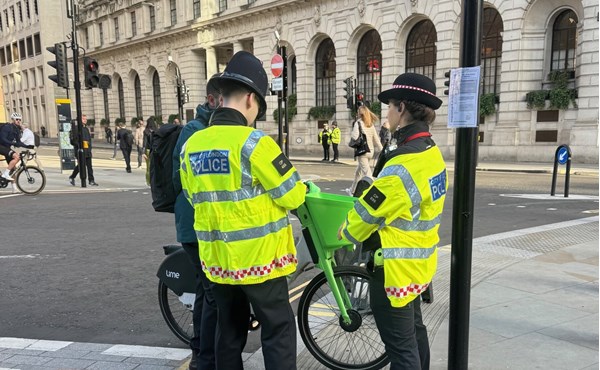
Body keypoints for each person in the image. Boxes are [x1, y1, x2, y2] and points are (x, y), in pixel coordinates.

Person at [179, 51, 305, 370]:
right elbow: (292, 196)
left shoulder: (192, 145)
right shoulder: (255, 144)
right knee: (277, 329)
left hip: (217, 259)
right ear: (251, 99)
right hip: (261, 260)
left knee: (229, 329)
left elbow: (194, 197)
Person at [338, 73, 447, 370]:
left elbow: (367, 214)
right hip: (418, 263)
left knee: (400, 349)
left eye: (390, 106)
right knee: (414, 334)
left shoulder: (404, 164)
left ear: (401, 109)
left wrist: (345, 229)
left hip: (393, 269)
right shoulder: (431, 153)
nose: (386, 112)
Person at [172, 73, 222, 370]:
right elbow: (180, 178)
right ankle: (203, 359)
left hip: (208, 227)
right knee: (213, 295)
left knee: (207, 292)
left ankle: (203, 353)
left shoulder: (214, 129)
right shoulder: (194, 130)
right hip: (195, 227)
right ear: (212, 100)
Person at [347, 105, 383, 195]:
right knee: (358, 172)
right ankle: (352, 190)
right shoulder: (370, 124)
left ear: (360, 113)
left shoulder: (358, 123)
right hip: (370, 152)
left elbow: (354, 137)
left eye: (358, 111)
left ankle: (374, 193)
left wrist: (353, 131)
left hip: (363, 152)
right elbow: (376, 139)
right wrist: (382, 150)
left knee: (367, 174)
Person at [69, 115, 98, 186]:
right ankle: (72, 176)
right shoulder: (75, 129)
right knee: (81, 166)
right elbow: (72, 141)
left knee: (89, 166)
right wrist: (80, 145)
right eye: (83, 119)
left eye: (86, 119)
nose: (85, 120)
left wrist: (89, 148)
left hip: (87, 150)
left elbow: (89, 140)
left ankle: (91, 180)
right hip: (80, 150)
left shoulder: (86, 129)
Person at [0, 112, 26, 181]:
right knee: (16, 157)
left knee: (12, 168)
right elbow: (3, 139)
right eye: (17, 119)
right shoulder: (7, 127)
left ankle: (14, 188)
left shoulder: (17, 129)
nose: (18, 121)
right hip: (1, 146)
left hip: (6, 148)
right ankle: (5, 174)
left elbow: (19, 142)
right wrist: (13, 143)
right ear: (13, 120)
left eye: (20, 120)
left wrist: (28, 147)